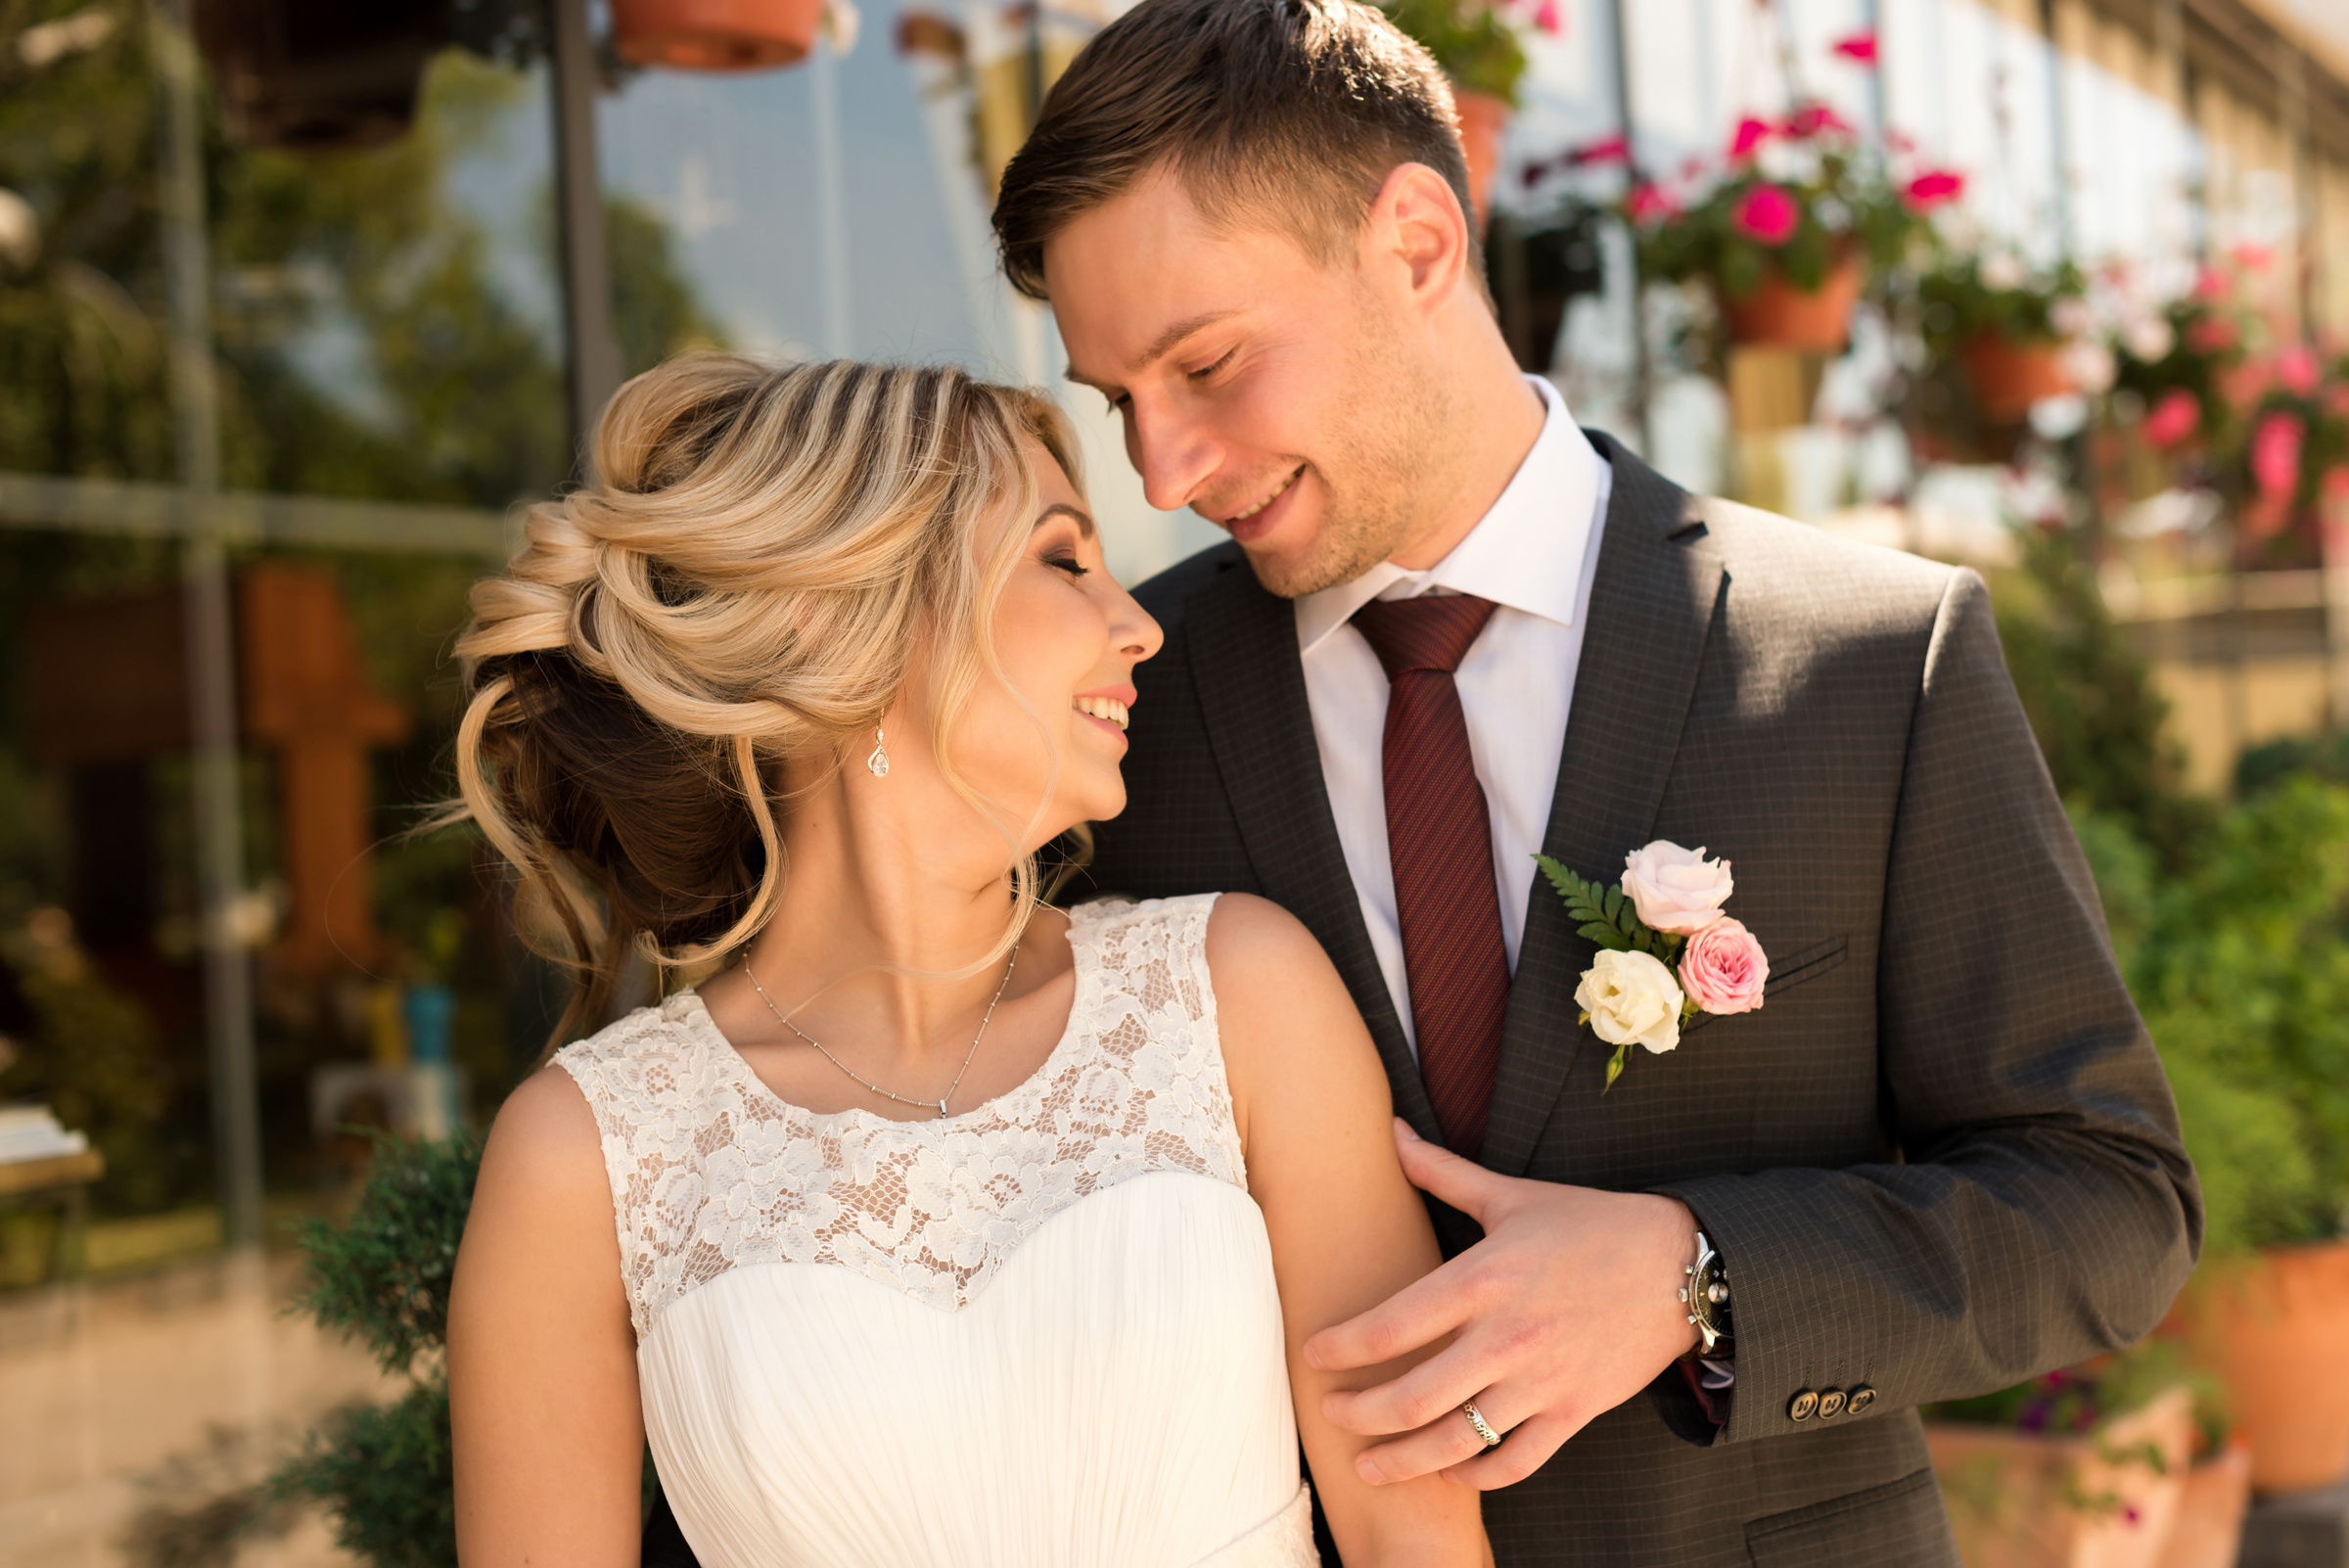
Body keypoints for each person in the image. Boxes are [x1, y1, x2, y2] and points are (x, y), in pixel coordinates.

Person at [988, 0, 2203, 1560]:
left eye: (1207, 364)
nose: (1163, 470)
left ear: (1418, 242)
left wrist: (1700, 1277)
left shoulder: (1869, 661)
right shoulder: (1124, 717)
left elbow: (2110, 1204)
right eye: (1117, 402)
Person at [442, 355, 1492, 1567]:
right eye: (1063, 559)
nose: (1140, 624)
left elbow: (1417, 1539)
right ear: (839, 613)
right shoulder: (587, 1155)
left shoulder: (1234, 994)